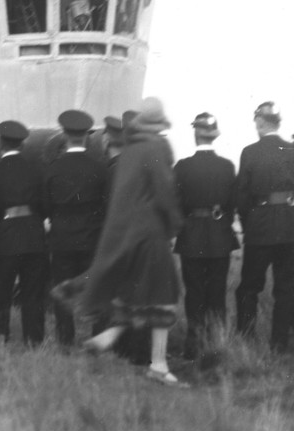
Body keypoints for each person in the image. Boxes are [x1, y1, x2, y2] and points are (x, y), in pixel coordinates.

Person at [71, 97, 183, 385]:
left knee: (136, 293)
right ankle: (158, 364)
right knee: (163, 296)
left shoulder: (130, 151)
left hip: (128, 234)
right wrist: (174, 227)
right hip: (151, 232)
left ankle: (108, 337)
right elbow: (164, 192)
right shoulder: (157, 147)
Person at [172, 112, 238, 359]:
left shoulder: (182, 167)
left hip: (191, 237)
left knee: (195, 292)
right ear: (214, 135)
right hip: (220, 236)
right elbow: (233, 204)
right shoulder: (227, 166)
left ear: (195, 134)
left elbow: (175, 204)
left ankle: (193, 346)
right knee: (218, 292)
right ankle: (216, 344)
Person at [43, 109, 108, 346]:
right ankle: (97, 338)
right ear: (87, 136)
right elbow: (106, 205)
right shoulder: (99, 169)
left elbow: (45, 206)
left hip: (61, 239)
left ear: (64, 135)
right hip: (92, 238)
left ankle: (65, 340)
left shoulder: (52, 169)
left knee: (62, 288)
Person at [234, 101, 294, 351]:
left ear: (259, 122)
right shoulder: (292, 150)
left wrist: (249, 226)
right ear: (278, 123)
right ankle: (279, 345)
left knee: (248, 287)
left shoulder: (250, 152)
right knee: (287, 289)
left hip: (258, 228)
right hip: (290, 228)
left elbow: (241, 197)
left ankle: (246, 340)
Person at [0, 119, 48, 346]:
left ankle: (0, 339)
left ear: (1, 143)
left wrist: (0, 227)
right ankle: (34, 341)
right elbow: (45, 207)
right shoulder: (36, 170)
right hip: (34, 237)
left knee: (1, 292)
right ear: (22, 144)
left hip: (7, 237)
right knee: (33, 294)